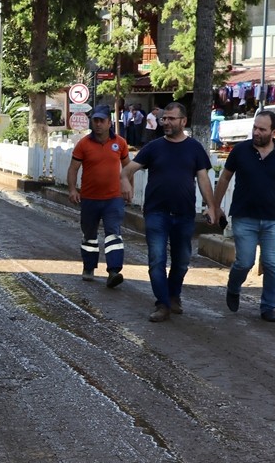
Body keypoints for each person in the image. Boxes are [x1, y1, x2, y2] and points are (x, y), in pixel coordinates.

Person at [121, 102, 220, 323]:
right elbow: (128, 169)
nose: (165, 122)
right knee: (156, 259)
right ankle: (162, 304)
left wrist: (212, 206)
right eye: (164, 118)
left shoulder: (194, 148)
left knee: (182, 260)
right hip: (156, 213)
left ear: (183, 121)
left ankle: (174, 296)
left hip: (184, 214)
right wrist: (125, 182)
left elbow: (203, 179)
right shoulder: (153, 147)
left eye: (171, 119)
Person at [212, 109, 275, 323]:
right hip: (244, 216)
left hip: (273, 218)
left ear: (274, 132)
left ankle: (268, 307)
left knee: (271, 263)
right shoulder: (240, 151)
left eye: (262, 129)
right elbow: (225, 179)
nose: (256, 132)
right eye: (254, 127)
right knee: (244, 262)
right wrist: (215, 207)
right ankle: (233, 287)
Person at [67, 105, 130, 288]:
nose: (98, 124)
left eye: (102, 120)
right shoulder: (84, 144)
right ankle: (89, 267)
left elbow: (128, 167)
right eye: (95, 120)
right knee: (90, 236)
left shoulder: (120, 143)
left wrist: (129, 188)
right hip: (89, 199)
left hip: (114, 199)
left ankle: (113, 271)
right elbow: (73, 168)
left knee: (113, 235)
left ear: (109, 122)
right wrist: (72, 189)